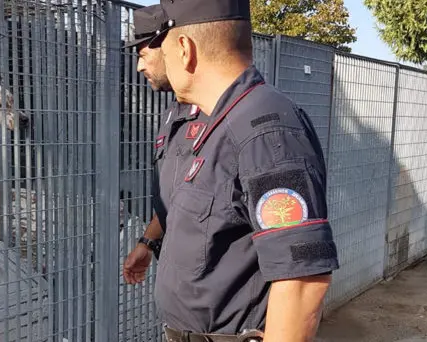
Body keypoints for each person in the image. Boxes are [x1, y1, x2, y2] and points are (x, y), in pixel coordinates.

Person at [144, 0, 340, 340]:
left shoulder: (266, 128)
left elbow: (302, 279)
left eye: (164, 47)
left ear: (184, 49)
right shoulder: (220, 122)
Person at [121, 4, 193, 285]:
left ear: (176, 48)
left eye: (143, 55)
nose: (139, 66)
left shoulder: (240, 121)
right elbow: (176, 196)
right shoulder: (175, 114)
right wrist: (148, 242)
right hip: (182, 289)